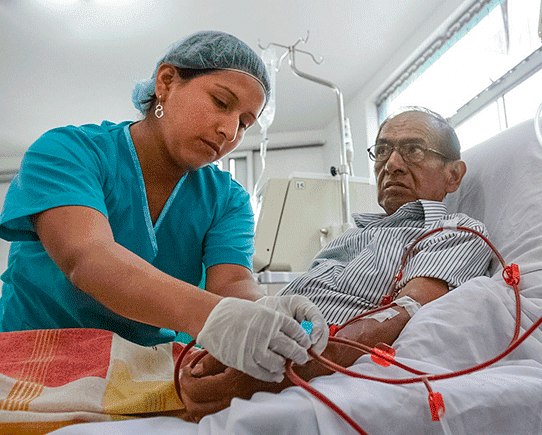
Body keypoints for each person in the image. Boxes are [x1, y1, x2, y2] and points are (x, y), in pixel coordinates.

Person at [0, 31, 328, 381]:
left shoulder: (227, 198)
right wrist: (214, 317)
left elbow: (231, 283)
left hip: (143, 367)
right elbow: (88, 258)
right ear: (166, 82)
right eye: (221, 102)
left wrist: (265, 310)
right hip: (34, 353)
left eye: (245, 123)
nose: (229, 131)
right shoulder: (69, 152)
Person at [178, 108, 493, 421]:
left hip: (288, 369)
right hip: (260, 352)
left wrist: (273, 375)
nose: (392, 165)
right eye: (382, 151)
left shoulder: (454, 233)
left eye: (413, 150)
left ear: (453, 175)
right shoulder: (350, 238)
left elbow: (406, 312)